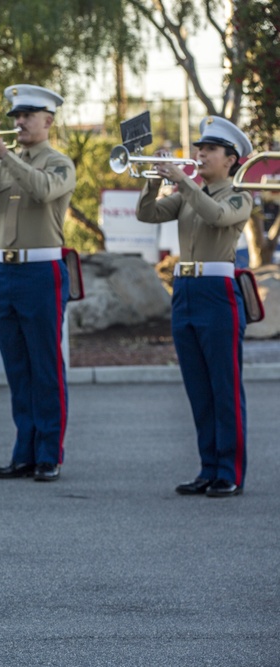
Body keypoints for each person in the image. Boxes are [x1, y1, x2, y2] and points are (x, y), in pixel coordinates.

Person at [0, 84, 76, 482]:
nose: (18, 122)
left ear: (48, 121)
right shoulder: (5, 163)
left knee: (45, 366)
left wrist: (3, 153)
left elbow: (41, 190)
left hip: (41, 271)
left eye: (27, 116)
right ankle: (24, 452)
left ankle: (48, 454)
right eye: (15, 117)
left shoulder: (59, 163)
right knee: (18, 367)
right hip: (5, 272)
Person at [134, 116, 254, 498]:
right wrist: (154, 179)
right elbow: (147, 214)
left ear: (230, 160)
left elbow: (216, 215)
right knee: (199, 387)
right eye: (200, 148)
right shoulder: (190, 192)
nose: (200, 154)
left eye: (210, 150)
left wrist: (182, 180)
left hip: (218, 291)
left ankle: (229, 471)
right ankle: (208, 467)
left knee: (224, 385)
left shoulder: (239, 194)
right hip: (185, 289)